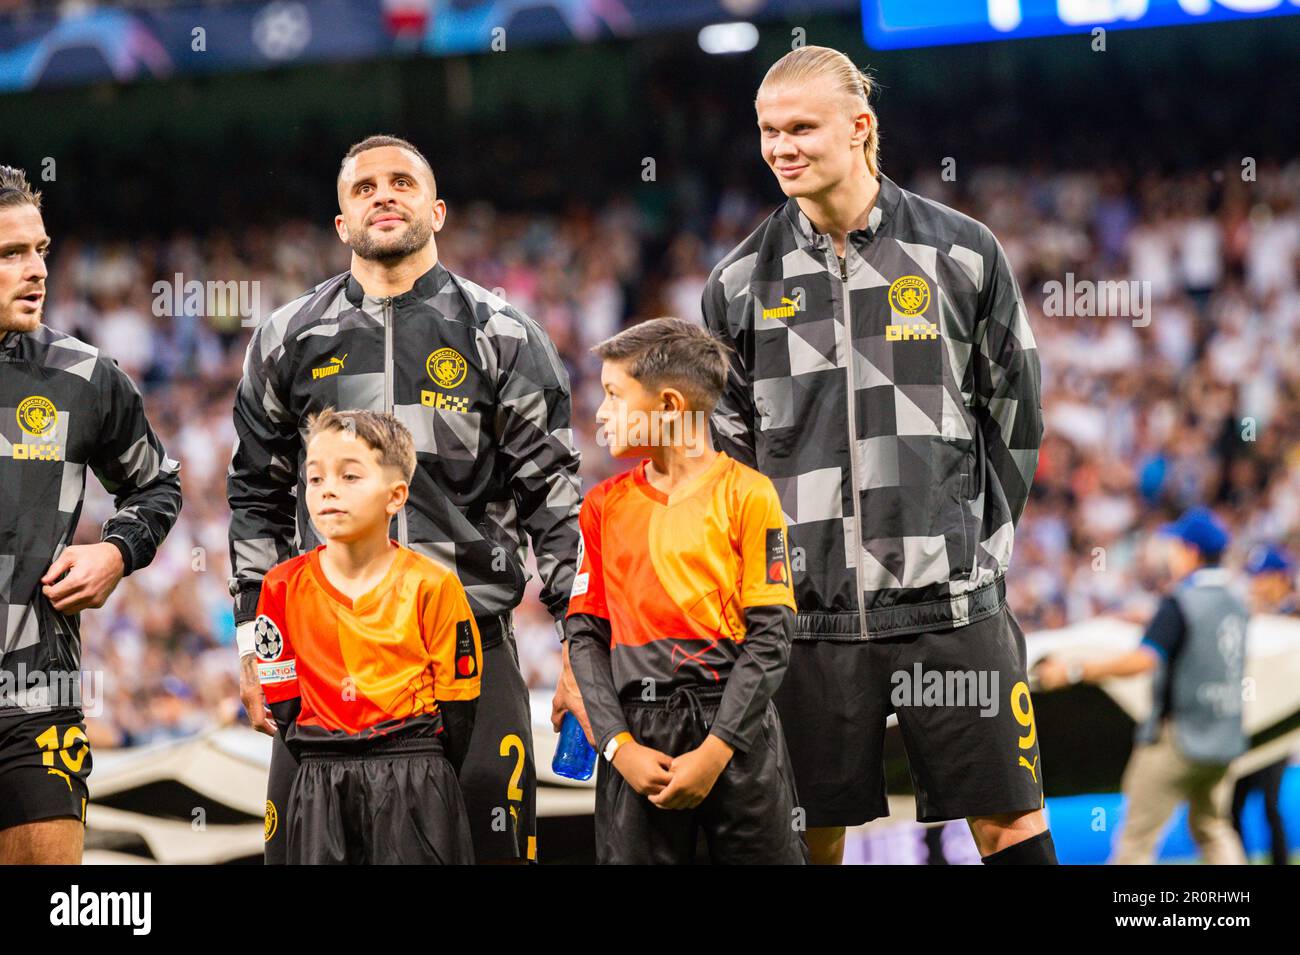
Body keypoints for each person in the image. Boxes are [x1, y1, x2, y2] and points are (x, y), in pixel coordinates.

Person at [702, 46, 1052, 864]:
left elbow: (1017, 416)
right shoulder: (737, 282)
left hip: (950, 611)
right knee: (803, 836)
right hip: (808, 623)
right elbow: (729, 457)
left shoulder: (962, 253)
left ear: (861, 128)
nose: (780, 147)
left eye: (800, 128)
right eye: (768, 131)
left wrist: (973, 552)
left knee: (1010, 823)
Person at [228, 135, 583, 864]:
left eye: (401, 183)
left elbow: (555, 502)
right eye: (363, 188)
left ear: (438, 210)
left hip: (471, 650)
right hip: (324, 661)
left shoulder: (503, 335)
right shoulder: (288, 338)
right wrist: (253, 646)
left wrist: (583, 645)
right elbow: (254, 497)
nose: (382, 195)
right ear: (340, 224)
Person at [565, 318, 806, 864]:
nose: (601, 413)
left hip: (737, 734)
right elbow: (583, 636)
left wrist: (717, 748)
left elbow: (771, 635)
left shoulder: (750, 494)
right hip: (636, 735)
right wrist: (618, 748)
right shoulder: (602, 507)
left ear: (670, 405)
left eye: (613, 394)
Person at [0, 166, 182, 863]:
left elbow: (157, 485)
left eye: (40, 249)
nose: (35, 269)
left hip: (35, 691)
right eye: (10, 253)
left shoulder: (82, 375)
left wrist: (116, 551)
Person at [254, 408, 481, 864]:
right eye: (314, 479)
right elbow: (284, 706)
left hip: (416, 775)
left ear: (396, 495)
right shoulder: (279, 587)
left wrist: (416, 766)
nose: (328, 490)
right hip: (319, 778)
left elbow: (459, 711)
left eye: (350, 476)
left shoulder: (433, 585)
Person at [1039, 506, 1249, 864]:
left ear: (1191, 551)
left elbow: (1144, 660)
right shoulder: (1236, 601)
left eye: (1177, 546)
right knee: (1213, 828)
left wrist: (1074, 671)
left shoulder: (1180, 603)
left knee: (1136, 839)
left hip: (1178, 740)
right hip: (1226, 737)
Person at [1229, 543, 1294, 865]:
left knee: (1270, 803)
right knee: (1232, 806)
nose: (1256, 584)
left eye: (1262, 576)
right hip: (1249, 724)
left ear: (1281, 577)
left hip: (1275, 724)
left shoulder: (1292, 616)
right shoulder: (1252, 616)